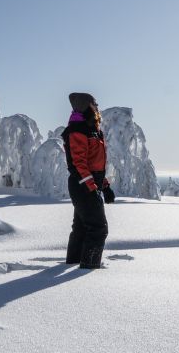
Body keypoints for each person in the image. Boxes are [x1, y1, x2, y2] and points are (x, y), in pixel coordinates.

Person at [61, 92, 115, 269]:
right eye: (95, 104)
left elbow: (95, 164)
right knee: (99, 229)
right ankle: (88, 268)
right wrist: (91, 188)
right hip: (83, 186)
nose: (98, 107)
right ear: (87, 106)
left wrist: (104, 186)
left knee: (82, 227)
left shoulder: (91, 129)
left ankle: (73, 264)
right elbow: (78, 164)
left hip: (89, 184)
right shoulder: (78, 130)